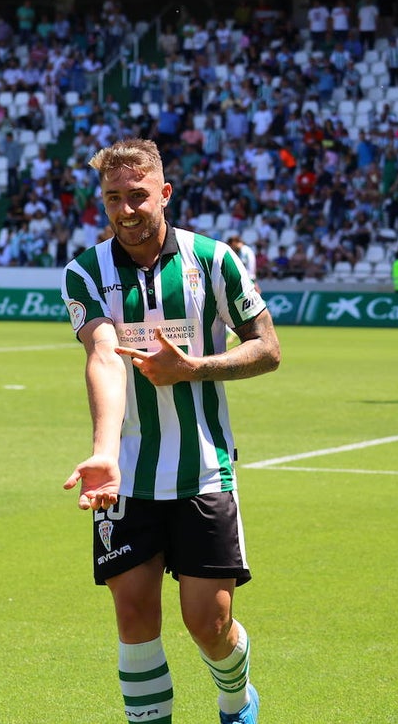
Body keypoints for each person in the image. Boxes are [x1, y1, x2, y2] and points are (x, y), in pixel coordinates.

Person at [60, 139, 281, 724]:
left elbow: (268, 348)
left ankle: (236, 699)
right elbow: (104, 355)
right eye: (113, 198)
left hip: (203, 467)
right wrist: (105, 453)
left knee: (207, 625)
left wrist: (195, 368)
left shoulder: (214, 259)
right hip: (125, 477)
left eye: (138, 196)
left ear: (164, 193)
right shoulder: (86, 271)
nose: (126, 210)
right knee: (134, 618)